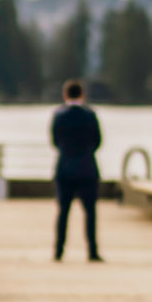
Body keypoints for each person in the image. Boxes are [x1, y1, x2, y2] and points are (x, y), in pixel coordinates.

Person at [51, 78, 103, 261]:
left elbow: (55, 141)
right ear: (82, 95)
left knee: (63, 212)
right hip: (87, 168)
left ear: (65, 95)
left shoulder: (59, 116)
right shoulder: (90, 115)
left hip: (65, 168)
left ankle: (58, 251)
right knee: (90, 212)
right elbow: (98, 141)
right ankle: (92, 251)